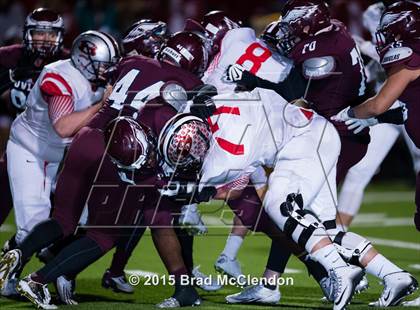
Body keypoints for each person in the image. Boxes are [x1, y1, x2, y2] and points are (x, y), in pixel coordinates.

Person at [0, 31, 210, 309]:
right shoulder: (191, 82)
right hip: (122, 150)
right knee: (105, 234)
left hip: (85, 139)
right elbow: (187, 126)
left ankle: (19, 254)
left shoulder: (133, 63)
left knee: (64, 220)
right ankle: (38, 280)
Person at [334, 1, 420, 235]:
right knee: (360, 169)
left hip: (395, 98)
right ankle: (336, 236)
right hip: (395, 100)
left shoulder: (409, 40)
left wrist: (347, 113)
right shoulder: (374, 11)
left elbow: (378, 104)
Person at [0, 7, 68, 235]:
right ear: (28, 34)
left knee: (66, 206)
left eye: (50, 34)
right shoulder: (10, 57)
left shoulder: (69, 63)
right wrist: (7, 79)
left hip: (62, 144)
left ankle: (55, 257)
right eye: (39, 33)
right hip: (24, 139)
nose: (45, 39)